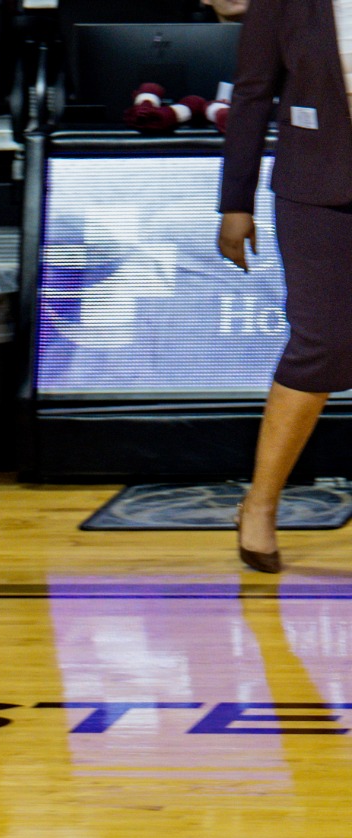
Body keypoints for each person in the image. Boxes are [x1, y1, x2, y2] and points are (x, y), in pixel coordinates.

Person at [220, 0, 352, 571]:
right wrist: (235, 202)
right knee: (322, 343)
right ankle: (261, 504)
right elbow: (252, 95)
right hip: (316, 188)